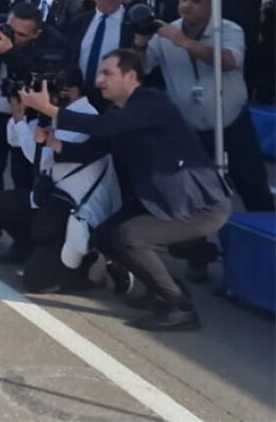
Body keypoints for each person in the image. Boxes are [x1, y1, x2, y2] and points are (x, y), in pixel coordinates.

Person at [24, 50, 231, 331]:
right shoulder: (118, 112)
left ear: (131, 77)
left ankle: (179, 306)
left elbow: (103, 127)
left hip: (197, 205)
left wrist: (51, 110)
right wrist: (52, 143)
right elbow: (92, 149)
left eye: (107, 73)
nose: (99, 81)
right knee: (106, 235)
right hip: (157, 200)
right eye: (98, 73)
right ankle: (160, 288)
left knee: (129, 237)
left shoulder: (151, 103)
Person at [134, 0, 273, 214]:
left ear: (211, 5)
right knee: (190, 192)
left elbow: (230, 61)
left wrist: (183, 42)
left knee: (253, 186)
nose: (187, 5)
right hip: (189, 130)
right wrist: (139, 44)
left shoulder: (228, 29)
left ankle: (266, 241)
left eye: (196, 1)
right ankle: (198, 245)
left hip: (232, 125)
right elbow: (138, 70)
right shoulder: (165, 34)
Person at [0, 65, 120, 290]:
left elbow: (43, 158)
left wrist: (20, 123)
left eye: (50, 90)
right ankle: (26, 246)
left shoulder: (85, 117)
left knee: (36, 283)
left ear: (73, 91)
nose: (44, 96)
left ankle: (86, 268)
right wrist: (20, 115)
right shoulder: (56, 112)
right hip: (53, 199)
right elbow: (15, 141)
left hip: (79, 210)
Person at [0, 3, 68, 250]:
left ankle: (23, 237)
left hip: (29, 118)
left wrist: (11, 53)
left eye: (21, 35)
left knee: (23, 177)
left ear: (37, 34)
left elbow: (43, 76)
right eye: (11, 29)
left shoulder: (53, 41)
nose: (12, 36)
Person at [67, 0, 138, 110]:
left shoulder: (133, 22)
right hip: (81, 100)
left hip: (118, 103)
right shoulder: (79, 23)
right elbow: (69, 59)